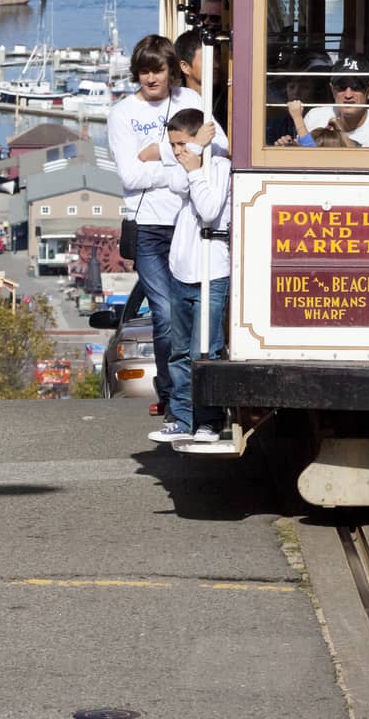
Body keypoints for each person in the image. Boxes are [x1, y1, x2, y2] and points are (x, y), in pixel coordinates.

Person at [107, 34, 214, 419]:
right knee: (166, 315)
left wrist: (157, 154)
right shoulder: (122, 113)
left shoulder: (190, 101)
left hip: (190, 221)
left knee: (193, 313)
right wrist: (181, 159)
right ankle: (171, 394)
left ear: (172, 71)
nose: (150, 78)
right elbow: (131, 176)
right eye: (144, 71)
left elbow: (212, 148)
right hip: (149, 226)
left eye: (158, 70)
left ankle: (186, 396)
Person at [150, 108, 231, 444]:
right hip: (181, 272)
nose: (177, 151)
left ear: (199, 140)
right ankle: (183, 418)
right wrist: (192, 159)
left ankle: (209, 420)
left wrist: (197, 162)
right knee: (180, 352)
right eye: (173, 145)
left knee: (207, 353)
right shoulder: (185, 167)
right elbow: (177, 183)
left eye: (182, 143)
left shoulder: (221, 167)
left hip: (212, 272)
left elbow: (211, 210)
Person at [277, 55, 369, 146]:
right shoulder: (315, 117)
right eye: (341, 86)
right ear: (332, 90)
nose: (348, 95)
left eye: (357, 87)